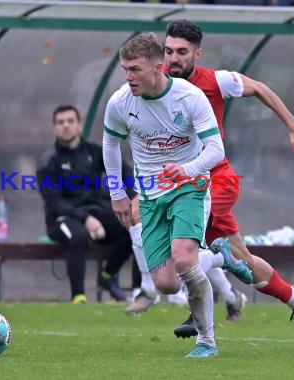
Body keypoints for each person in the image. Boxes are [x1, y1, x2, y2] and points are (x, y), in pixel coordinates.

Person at [162, 19, 294, 340]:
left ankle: (199, 306)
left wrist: (293, 124)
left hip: (215, 181)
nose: (173, 58)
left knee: (185, 248)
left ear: (198, 54)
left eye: (182, 52)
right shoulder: (158, 83)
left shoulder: (217, 81)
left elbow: (260, 88)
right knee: (244, 261)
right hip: (183, 183)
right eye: (168, 51)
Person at [103, 32, 228, 358]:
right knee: (167, 284)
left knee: (185, 259)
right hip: (149, 195)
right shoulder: (120, 102)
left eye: (135, 69)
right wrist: (117, 192)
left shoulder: (189, 97)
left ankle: (207, 341)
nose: (128, 76)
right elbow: (111, 144)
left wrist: (188, 170)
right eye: (125, 69)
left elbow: (216, 150)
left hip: (190, 186)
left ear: (159, 67)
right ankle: (217, 256)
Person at [36, 104, 135, 304]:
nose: (66, 126)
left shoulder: (94, 151)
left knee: (132, 225)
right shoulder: (48, 161)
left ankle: (109, 275)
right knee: (78, 236)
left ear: (79, 126)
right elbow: (54, 202)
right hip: (62, 218)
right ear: (54, 128)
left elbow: (124, 173)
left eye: (70, 121)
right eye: (60, 122)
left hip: (95, 212)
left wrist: (133, 199)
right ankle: (78, 297)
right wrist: (86, 219)